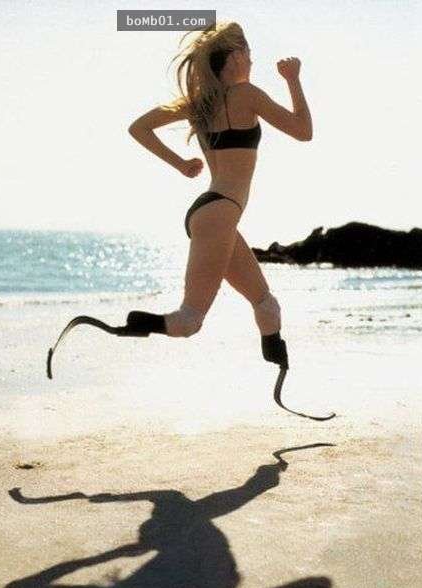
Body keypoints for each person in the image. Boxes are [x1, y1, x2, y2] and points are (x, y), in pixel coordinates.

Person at [47, 21, 335, 421]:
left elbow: (139, 128)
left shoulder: (198, 103)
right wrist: (293, 79)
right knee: (189, 321)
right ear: (233, 58)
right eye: (248, 51)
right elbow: (303, 131)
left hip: (211, 213)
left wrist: (181, 164)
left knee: (267, 306)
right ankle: (120, 326)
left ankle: (280, 370)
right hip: (219, 213)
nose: (252, 59)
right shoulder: (247, 94)